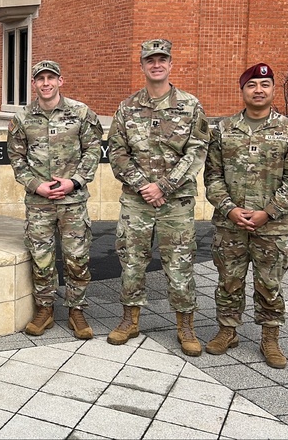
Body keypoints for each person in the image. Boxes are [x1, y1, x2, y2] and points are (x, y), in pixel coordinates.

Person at [106, 39, 210, 356]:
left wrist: (163, 186)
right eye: (150, 60)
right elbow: (117, 152)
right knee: (132, 262)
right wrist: (142, 185)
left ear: (170, 64)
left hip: (175, 203)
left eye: (162, 59)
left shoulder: (190, 106)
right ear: (142, 65)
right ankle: (129, 320)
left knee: (180, 265)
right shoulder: (127, 108)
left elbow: (196, 153)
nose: (156, 64)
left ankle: (185, 326)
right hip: (137, 202)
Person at [204, 63, 288, 368]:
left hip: (272, 226)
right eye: (252, 85)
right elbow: (212, 176)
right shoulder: (223, 130)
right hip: (230, 224)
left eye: (264, 84)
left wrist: (268, 212)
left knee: (269, 282)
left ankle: (270, 338)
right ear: (243, 91)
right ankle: (228, 330)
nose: (259, 90)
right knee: (229, 280)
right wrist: (230, 208)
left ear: (273, 89)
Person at [8, 60, 104, 339]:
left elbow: (93, 150)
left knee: (76, 257)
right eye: (41, 79)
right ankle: (45, 310)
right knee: (41, 258)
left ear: (61, 81)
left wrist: (73, 181)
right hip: (39, 203)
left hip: (73, 201)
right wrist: (36, 185)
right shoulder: (22, 119)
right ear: (34, 84)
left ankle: (76, 311)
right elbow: (16, 158)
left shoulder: (81, 113)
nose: (46, 83)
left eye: (51, 78)